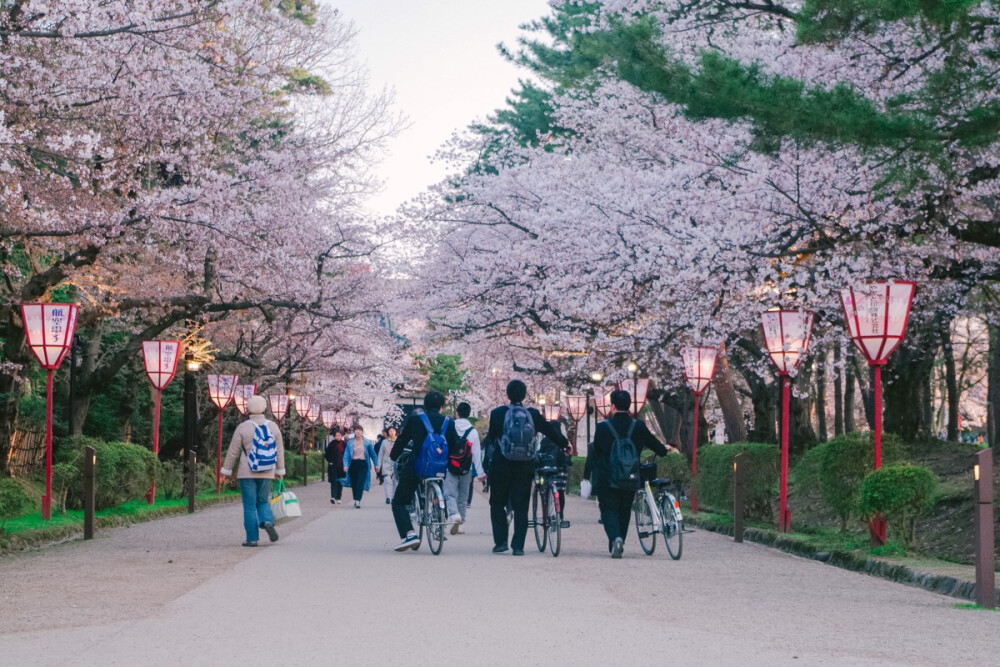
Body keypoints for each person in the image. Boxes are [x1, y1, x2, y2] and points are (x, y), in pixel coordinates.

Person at [487, 380, 568, 556]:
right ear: (524, 395)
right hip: (525, 466)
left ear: (508, 394)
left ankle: (501, 542)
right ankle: (518, 546)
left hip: (501, 466)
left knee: (497, 503)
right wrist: (565, 444)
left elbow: (492, 440)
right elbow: (550, 431)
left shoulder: (497, 413)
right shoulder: (532, 414)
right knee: (521, 506)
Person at [591, 389, 674, 558]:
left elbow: (597, 451)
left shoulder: (602, 427)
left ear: (612, 406)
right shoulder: (638, 426)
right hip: (630, 477)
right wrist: (664, 450)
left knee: (608, 510)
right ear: (629, 406)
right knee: (625, 510)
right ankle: (620, 538)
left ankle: (615, 539)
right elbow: (654, 444)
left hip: (607, 477)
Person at [388, 391, 460, 552]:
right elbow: (455, 446)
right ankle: (438, 514)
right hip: (439, 469)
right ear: (441, 407)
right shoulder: (449, 423)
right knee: (438, 484)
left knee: (399, 501)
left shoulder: (416, 420)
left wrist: (393, 456)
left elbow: (402, 440)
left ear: (425, 406)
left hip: (417, 467)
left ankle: (409, 534)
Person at [219, 395, 285, 547]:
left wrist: (226, 470)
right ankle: (267, 521)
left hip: (246, 471)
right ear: (264, 408)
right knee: (262, 501)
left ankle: (252, 539)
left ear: (248, 408)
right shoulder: (273, 427)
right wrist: (280, 470)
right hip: (268, 471)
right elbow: (279, 451)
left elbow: (233, 451)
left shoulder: (243, 427)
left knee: (249, 506)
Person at [444, 402, 485, 534]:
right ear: (468, 414)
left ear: (457, 413)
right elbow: (476, 454)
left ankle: (454, 514)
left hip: (451, 466)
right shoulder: (472, 431)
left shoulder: (450, 427)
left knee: (449, 494)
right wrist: (480, 473)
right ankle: (461, 523)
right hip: (466, 468)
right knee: (463, 496)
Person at [343, 425, 378, 508]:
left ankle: (358, 500)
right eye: (356, 430)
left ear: (362, 432)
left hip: (363, 464)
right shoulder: (350, 442)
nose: (358, 432)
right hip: (353, 464)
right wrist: (345, 465)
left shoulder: (367, 442)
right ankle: (355, 498)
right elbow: (346, 455)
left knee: (360, 482)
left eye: (359, 430)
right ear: (354, 432)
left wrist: (376, 464)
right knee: (354, 483)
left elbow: (373, 455)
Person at [376, 426, 398, 504]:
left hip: (396, 463)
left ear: (395, 432)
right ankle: (388, 497)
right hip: (386, 463)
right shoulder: (384, 442)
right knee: (387, 480)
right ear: (388, 433)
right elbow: (380, 455)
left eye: (393, 431)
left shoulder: (399, 441)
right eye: (390, 431)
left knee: (395, 481)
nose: (391, 432)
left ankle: (394, 497)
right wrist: (378, 465)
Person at [324, 430, 347, 504]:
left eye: (339, 435)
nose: (338, 437)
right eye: (336, 435)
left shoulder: (344, 444)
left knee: (340, 482)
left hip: (341, 466)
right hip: (333, 466)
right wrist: (330, 460)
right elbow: (326, 454)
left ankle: (339, 497)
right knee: (333, 481)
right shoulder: (331, 444)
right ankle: (333, 497)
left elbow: (347, 454)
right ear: (334, 436)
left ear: (341, 436)